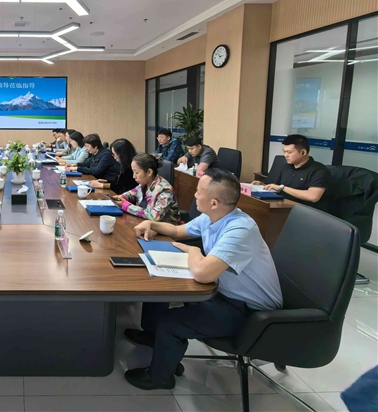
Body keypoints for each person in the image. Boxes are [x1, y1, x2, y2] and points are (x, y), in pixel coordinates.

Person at [125, 168, 282, 390]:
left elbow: (202, 273)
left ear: (214, 202)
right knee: (160, 288)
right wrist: (151, 224)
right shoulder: (212, 217)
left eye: (199, 192)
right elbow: (178, 231)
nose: (195, 195)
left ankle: (160, 377)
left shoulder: (240, 229)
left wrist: (193, 251)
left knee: (170, 322)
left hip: (250, 313)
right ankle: (154, 338)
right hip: (223, 293)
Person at [255, 134, 331, 210]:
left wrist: (282, 188)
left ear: (303, 152)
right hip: (282, 206)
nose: (285, 155)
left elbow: (313, 197)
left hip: (304, 211)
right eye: (284, 152)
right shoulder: (286, 166)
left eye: (289, 152)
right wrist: (263, 185)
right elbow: (276, 187)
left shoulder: (319, 170)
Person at [114, 154, 181, 224]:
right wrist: (121, 197)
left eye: (136, 172)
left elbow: (155, 216)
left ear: (149, 172)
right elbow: (132, 193)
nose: (134, 176)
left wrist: (126, 206)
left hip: (165, 228)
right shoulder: (145, 183)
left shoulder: (165, 190)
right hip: (145, 224)